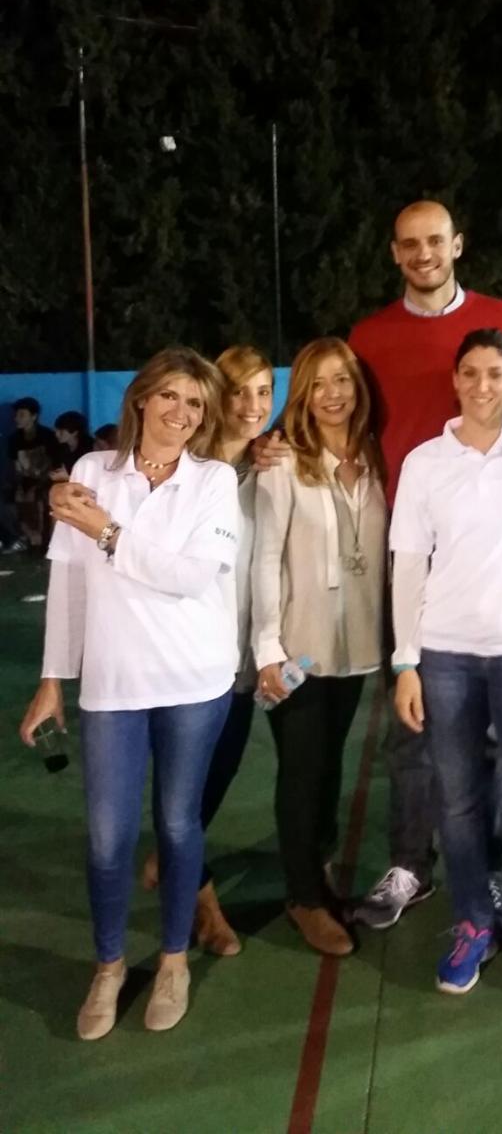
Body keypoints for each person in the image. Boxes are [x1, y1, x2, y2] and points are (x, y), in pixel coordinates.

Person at [347, 200, 502, 929]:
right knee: (414, 725)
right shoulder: (370, 336)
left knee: (498, 740)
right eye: (408, 243)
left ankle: (493, 876)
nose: (422, 253)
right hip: (409, 545)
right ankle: (411, 863)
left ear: (457, 245)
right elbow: (340, 420)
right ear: (393, 252)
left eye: (434, 240)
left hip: (494, 565)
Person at [20, 348, 239, 1041]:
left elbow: (189, 576)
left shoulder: (214, 481)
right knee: (109, 838)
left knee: (178, 826)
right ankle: (109, 965)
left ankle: (172, 958)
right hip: (112, 685)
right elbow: (70, 584)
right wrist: (53, 679)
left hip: (195, 681)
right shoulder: (90, 473)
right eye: (169, 396)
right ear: (140, 400)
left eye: (195, 404)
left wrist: (108, 531)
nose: (181, 413)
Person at [391, 329, 502, 997]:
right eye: (469, 373)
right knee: (460, 804)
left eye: (494, 373)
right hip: (445, 658)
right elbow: (407, 565)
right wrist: (405, 661)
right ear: (456, 380)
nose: (481, 385)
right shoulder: (424, 462)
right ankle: (472, 920)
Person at [252, 338, 387, 957]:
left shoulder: (377, 458)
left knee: (329, 762)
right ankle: (303, 896)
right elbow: (263, 561)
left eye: (344, 381)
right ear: (301, 395)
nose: (334, 394)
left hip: (354, 644)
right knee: (302, 771)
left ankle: (318, 869)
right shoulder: (282, 462)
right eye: (320, 383)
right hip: (298, 648)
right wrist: (268, 649)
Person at [139, 346, 275, 956]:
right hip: (181, 659)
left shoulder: (271, 469)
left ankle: (173, 859)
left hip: (240, 663)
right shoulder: (187, 469)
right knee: (182, 795)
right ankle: (205, 907)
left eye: (264, 392)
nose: (252, 406)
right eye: (239, 391)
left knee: (207, 788)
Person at [5, 397, 59, 549]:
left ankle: (44, 539)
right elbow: (15, 468)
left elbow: (53, 467)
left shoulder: (47, 436)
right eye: (16, 415)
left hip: (46, 480)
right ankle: (23, 537)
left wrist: (36, 487)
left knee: (42, 497)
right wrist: (20, 487)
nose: (16, 419)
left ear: (33, 416)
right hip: (25, 481)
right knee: (10, 500)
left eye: (22, 415)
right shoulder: (14, 439)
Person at [51, 411, 94, 481]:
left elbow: (89, 479)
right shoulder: (61, 447)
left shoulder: (89, 449)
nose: (56, 434)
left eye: (61, 431)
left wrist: (68, 477)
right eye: (56, 430)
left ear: (74, 432)